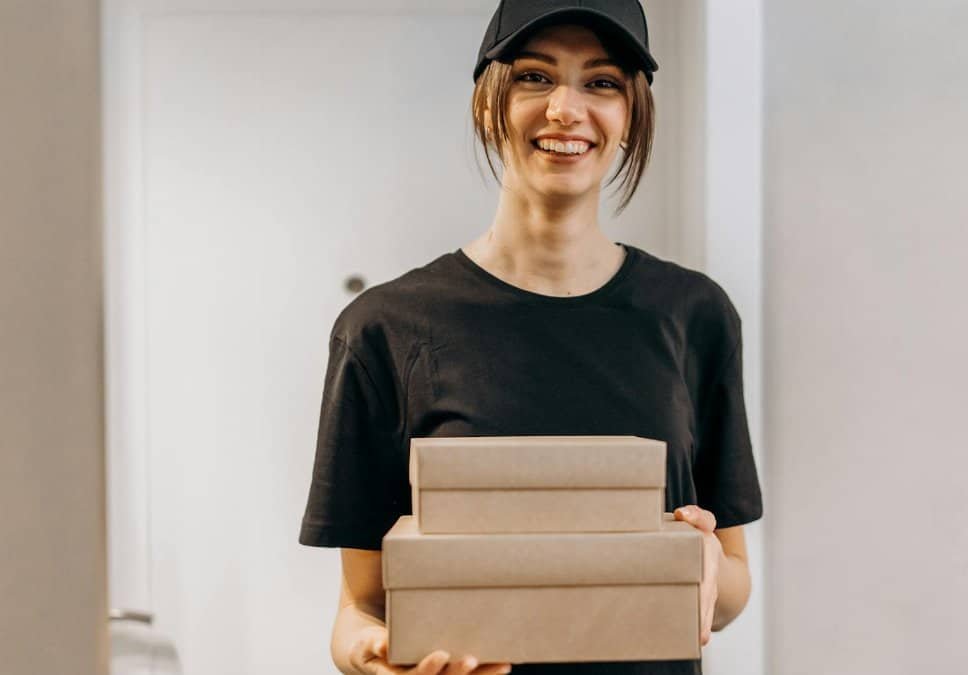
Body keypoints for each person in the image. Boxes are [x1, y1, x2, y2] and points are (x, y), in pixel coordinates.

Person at [298, 1, 763, 673]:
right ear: (489, 104)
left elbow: (734, 585)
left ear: (630, 114)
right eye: (535, 78)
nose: (566, 109)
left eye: (601, 82)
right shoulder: (385, 329)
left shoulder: (695, 314)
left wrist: (706, 564)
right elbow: (360, 607)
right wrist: (370, 654)